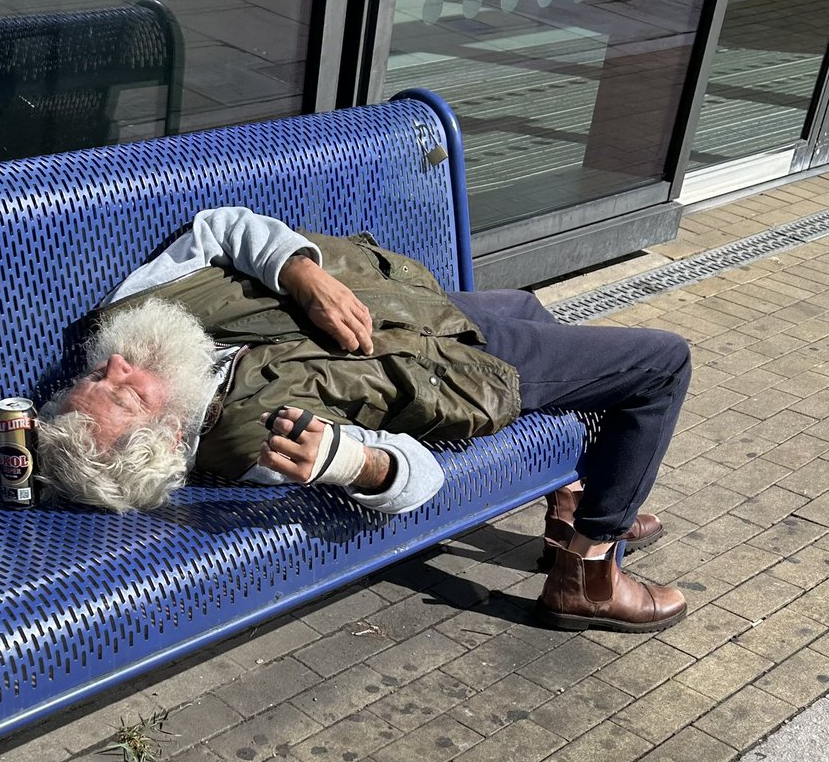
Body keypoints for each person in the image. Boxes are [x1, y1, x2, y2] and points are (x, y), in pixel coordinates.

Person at [38, 207, 691, 634]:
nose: (117, 367)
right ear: (170, 436)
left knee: (524, 301)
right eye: (124, 395)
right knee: (662, 365)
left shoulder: (135, 313)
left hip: (415, 312)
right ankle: (589, 568)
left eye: (97, 378)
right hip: (455, 365)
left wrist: (299, 273)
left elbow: (220, 228)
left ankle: (576, 503)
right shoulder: (264, 440)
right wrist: (353, 463)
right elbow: (421, 479)